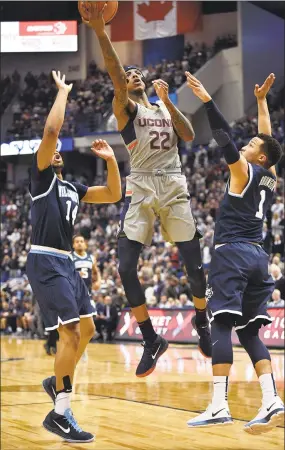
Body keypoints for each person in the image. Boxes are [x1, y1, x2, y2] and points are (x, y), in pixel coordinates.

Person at [83, 4, 211, 378]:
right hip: (140, 183)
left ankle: (201, 321)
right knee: (125, 267)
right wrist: (99, 31)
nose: (133, 76)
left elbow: (187, 134)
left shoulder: (162, 107)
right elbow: (112, 68)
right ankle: (151, 338)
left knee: (193, 264)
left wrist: (169, 101)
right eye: (129, 74)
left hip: (173, 182)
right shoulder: (123, 106)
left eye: (137, 73)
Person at [26, 70, 121, 443]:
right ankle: (60, 413)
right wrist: (63, 93)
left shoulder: (72, 186)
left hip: (66, 262)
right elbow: (50, 133)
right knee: (70, 333)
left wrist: (112, 160)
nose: (57, 152)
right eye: (54, 151)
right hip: (46, 259)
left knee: (89, 330)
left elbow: (113, 195)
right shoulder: (42, 178)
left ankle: (55, 380)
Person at [186, 71, 284, 433]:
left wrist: (208, 101)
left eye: (251, 145)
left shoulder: (244, 172)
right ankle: (272, 400)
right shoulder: (270, 175)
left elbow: (226, 140)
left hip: (233, 253)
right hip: (259, 257)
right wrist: (261, 102)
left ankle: (218, 405)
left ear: (257, 158)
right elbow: (270, 142)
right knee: (250, 334)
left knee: (221, 324)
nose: (246, 145)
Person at [72, 234, 102, 359]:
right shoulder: (70, 258)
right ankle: (75, 349)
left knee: (88, 327)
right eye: (77, 241)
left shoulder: (91, 258)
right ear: (73, 245)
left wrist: (99, 281)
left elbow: (96, 271)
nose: (79, 243)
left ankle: (81, 348)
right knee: (75, 325)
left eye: (81, 241)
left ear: (85, 244)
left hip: (87, 295)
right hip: (73, 296)